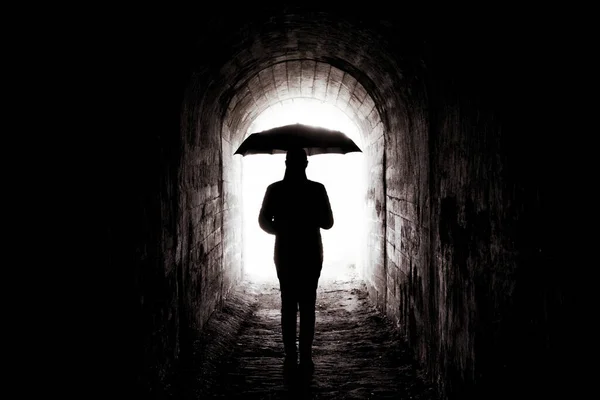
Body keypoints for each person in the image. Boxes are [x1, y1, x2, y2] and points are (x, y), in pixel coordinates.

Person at [258, 148, 334, 377]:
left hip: (285, 253)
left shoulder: (275, 189)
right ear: (306, 164)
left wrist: (280, 231)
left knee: (288, 305)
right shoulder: (317, 189)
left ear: (285, 163)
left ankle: (290, 356)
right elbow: (328, 223)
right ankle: (306, 357)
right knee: (308, 305)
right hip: (310, 253)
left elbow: (263, 220)